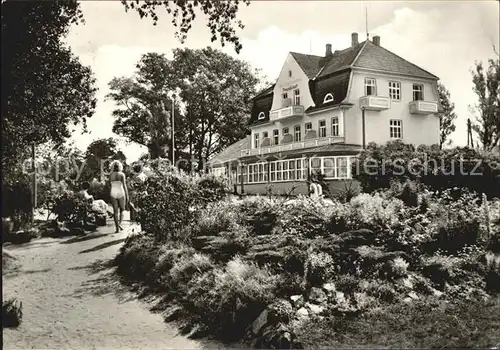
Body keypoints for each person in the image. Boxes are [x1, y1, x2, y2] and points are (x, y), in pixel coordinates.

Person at [109, 160, 128, 233]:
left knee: (115, 211)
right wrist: (127, 195)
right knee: (122, 209)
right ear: (120, 166)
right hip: (120, 191)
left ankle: (117, 228)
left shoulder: (110, 175)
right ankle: (120, 224)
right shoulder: (122, 174)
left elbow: (109, 184)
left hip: (113, 191)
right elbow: (124, 185)